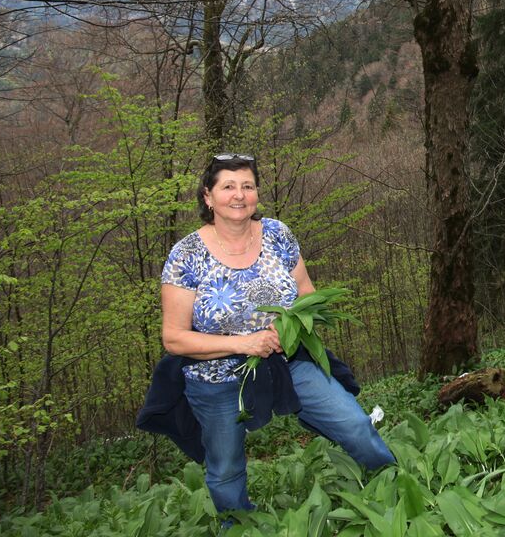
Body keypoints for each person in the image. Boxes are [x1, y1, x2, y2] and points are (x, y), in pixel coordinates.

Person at [145, 153, 394, 516]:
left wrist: (289, 324)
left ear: (257, 193)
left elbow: (308, 295)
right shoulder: (186, 256)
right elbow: (174, 339)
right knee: (226, 468)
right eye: (227, 186)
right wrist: (243, 343)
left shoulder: (278, 235)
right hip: (215, 378)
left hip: (287, 361)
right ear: (208, 197)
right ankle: (239, 523)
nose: (239, 195)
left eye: (247, 186)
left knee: (354, 424)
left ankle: (394, 485)